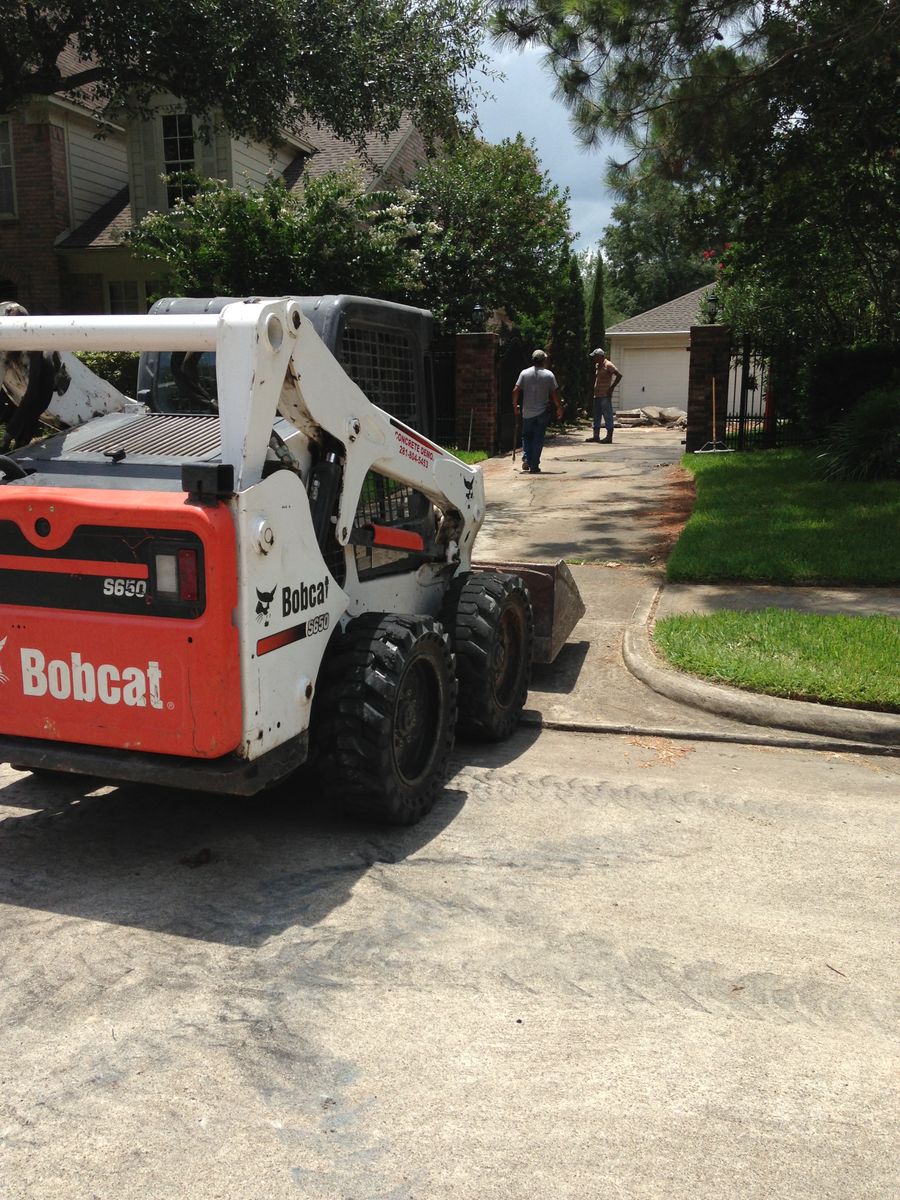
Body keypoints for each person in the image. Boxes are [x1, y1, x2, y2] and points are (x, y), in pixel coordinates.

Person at [512, 350, 563, 474]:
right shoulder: (549, 375)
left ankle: (526, 458)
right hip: (542, 412)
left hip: (527, 412)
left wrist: (515, 406)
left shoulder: (524, 373)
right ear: (544, 360)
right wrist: (559, 407)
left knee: (526, 437)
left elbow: (515, 390)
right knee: (538, 439)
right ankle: (534, 465)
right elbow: (555, 393)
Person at [586, 348, 623, 444]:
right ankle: (596, 436)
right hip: (597, 395)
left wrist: (612, 388)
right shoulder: (598, 365)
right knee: (596, 416)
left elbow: (619, 375)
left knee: (607, 415)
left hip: (605, 395)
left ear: (600, 356)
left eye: (595, 356)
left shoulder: (608, 365)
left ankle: (609, 437)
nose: (594, 358)